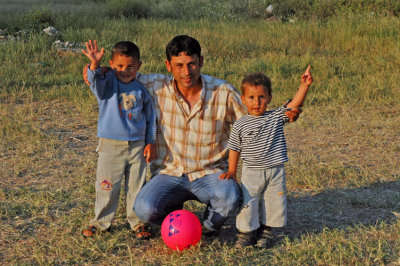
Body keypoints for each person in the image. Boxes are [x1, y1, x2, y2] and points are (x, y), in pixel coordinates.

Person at [83, 35, 301, 237]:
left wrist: (286, 113)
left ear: (201, 61)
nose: (186, 71)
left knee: (229, 197)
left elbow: (254, 116)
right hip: (169, 173)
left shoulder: (222, 91)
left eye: (191, 64)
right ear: (169, 66)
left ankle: (208, 224)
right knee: (144, 209)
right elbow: (121, 75)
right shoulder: (152, 85)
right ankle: (176, 220)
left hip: (210, 173)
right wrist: (96, 70)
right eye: (179, 65)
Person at [219, 67, 313, 248]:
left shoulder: (276, 117)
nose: (257, 102)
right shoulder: (240, 125)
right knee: (249, 202)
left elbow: (294, 105)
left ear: (269, 97)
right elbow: (234, 148)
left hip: (275, 170)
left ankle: (267, 231)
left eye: (262, 97)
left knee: (274, 201)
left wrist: (304, 85)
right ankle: (246, 233)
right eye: (252, 98)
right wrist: (232, 170)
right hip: (251, 172)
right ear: (243, 99)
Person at [81, 40, 156, 239]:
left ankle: (138, 223)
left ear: (139, 65)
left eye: (131, 66)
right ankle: (101, 222)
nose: (125, 70)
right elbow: (93, 80)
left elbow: (150, 118)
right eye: (120, 66)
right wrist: (95, 65)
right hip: (110, 145)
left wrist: (150, 142)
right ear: (112, 64)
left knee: (136, 187)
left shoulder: (141, 89)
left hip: (137, 147)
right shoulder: (107, 84)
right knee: (107, 185)